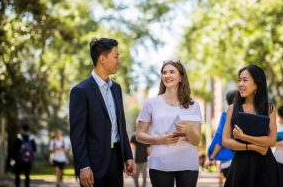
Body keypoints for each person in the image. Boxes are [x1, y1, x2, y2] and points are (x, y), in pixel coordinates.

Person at [69, 38, 135, 187]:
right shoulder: (80, 91)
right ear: (102, 59)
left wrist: (128, 156)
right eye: (116, 56)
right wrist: (83, 166)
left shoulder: (116, 89)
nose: (119, 61)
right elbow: (77, 133)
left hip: (116, 161)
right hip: (93, 164)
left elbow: (120, 125)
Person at [136, 60, 203, 187]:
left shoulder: (194, 105)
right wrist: (158, 140)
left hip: (187, 163)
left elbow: (196, 141)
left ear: (181, 77)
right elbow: (139, 134)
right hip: (160, 163)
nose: (167, 75)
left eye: (172, 72)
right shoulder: (152, 103)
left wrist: (188, 131)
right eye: (164, 72)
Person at [222, 64, 279, 187]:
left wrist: (243, 137)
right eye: (239, 80)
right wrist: (253, 147)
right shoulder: (232, 109)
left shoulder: (269, 108)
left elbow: (272, 140)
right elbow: (225, 141)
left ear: (257, 84)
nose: (240, 84)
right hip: (241, 166)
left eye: (245, 80)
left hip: (265, 167)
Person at [208, 90, 237, 187]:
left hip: (229, 161)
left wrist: (212, 156)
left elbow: (220, 138)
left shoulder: (226, 115)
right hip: (241, 158)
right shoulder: (245, 113)